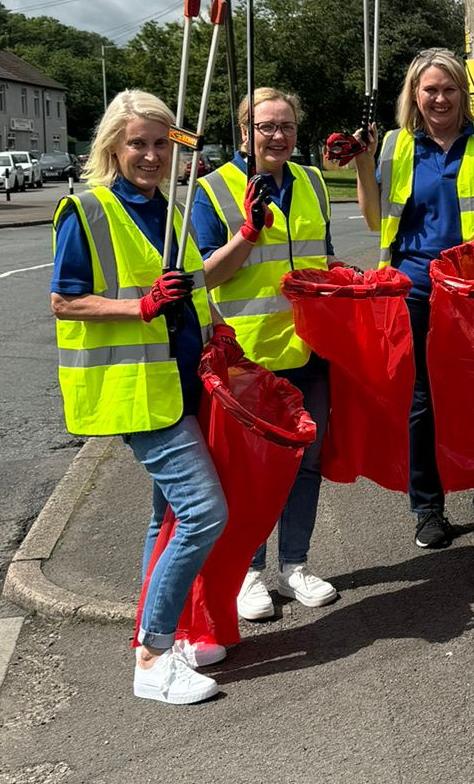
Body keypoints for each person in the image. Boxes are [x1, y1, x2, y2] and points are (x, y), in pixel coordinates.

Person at [50, 89, 233, 704]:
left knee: (167, 520)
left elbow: (186, 286)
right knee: (204, 512)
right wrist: (138, 306)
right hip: (136, 392)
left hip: (180, 385)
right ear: (113, 147)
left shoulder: (171, 207)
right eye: (138, 144)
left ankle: (166, 636)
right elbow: (65, 299)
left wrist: (215, 327)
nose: (151, 155)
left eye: (161, 143)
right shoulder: (88, 210)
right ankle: (154, 657)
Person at [354, 48, 474, 549]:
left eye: (449, 88)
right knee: (422, 403)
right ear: (414, 95)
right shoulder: (393, 145)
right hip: (416, 289)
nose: (440, 98)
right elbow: (373, 219)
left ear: (462, 93)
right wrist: (364, 163)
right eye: (430, 89)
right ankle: (427, 510)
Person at [190, 86, 342, 620]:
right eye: (265, 127)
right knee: (249, 472)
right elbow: (203, 274)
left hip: (311, 350)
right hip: (248, 358)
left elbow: (321, 257)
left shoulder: (314, 181)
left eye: (286, 127)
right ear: (244, 133)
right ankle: (249, 573)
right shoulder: (211, 191)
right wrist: (248, 234)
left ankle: (295, 564)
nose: (277, 137)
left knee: (307, 463)